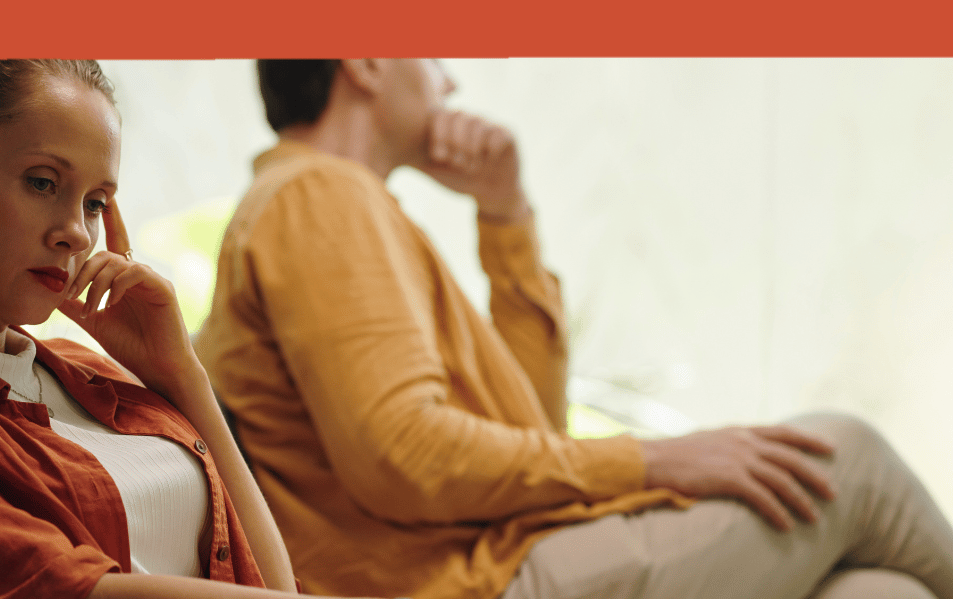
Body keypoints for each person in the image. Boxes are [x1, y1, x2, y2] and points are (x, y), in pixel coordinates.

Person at [197, 58, 953, 599]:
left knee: (880, 590)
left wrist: (505, 215)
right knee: (843, 455)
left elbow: (527, 421)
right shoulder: (317, 195)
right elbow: (405, 456)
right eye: (429, 52)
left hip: (490, 557)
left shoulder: (328, 200)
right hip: (456, 582)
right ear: (362, 60)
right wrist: (657, 460)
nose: (451, 81)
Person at [0, 60, 385, 599]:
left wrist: (182, 377)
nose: (78, 233)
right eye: (42, 183)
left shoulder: (94, 376)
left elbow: (271, 584)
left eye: (94, 202)